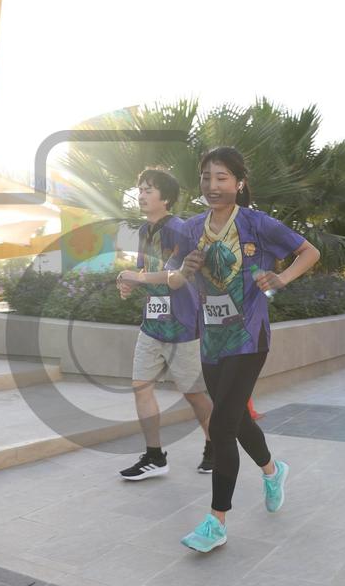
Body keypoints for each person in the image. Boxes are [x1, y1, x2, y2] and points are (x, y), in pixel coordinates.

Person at [145, 147, 320, 551]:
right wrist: (181, 271)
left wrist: (282, 279)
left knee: (221, 426)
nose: (212, 185)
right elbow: (174, 277)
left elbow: (309, 251)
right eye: (206, 177)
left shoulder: (258, 223)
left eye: (221, 177)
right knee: (237, 420)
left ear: (239, 183)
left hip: (249, 338)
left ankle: (216, 522)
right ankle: (273, 470)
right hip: (212, 340)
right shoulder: (191, 228)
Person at [116, 168, 214, 479]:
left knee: (194, 394)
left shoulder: (180, 230)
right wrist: (129, 282)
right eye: (140, 189)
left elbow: (176, 278)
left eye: (149, 190)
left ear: (166, 198)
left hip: (183, 327)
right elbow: (146, 274)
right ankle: (155, 456)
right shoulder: (145, 232)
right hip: (152, 325)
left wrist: (137, 277)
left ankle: (215, 444)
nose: (141, 195)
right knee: (140, 387)